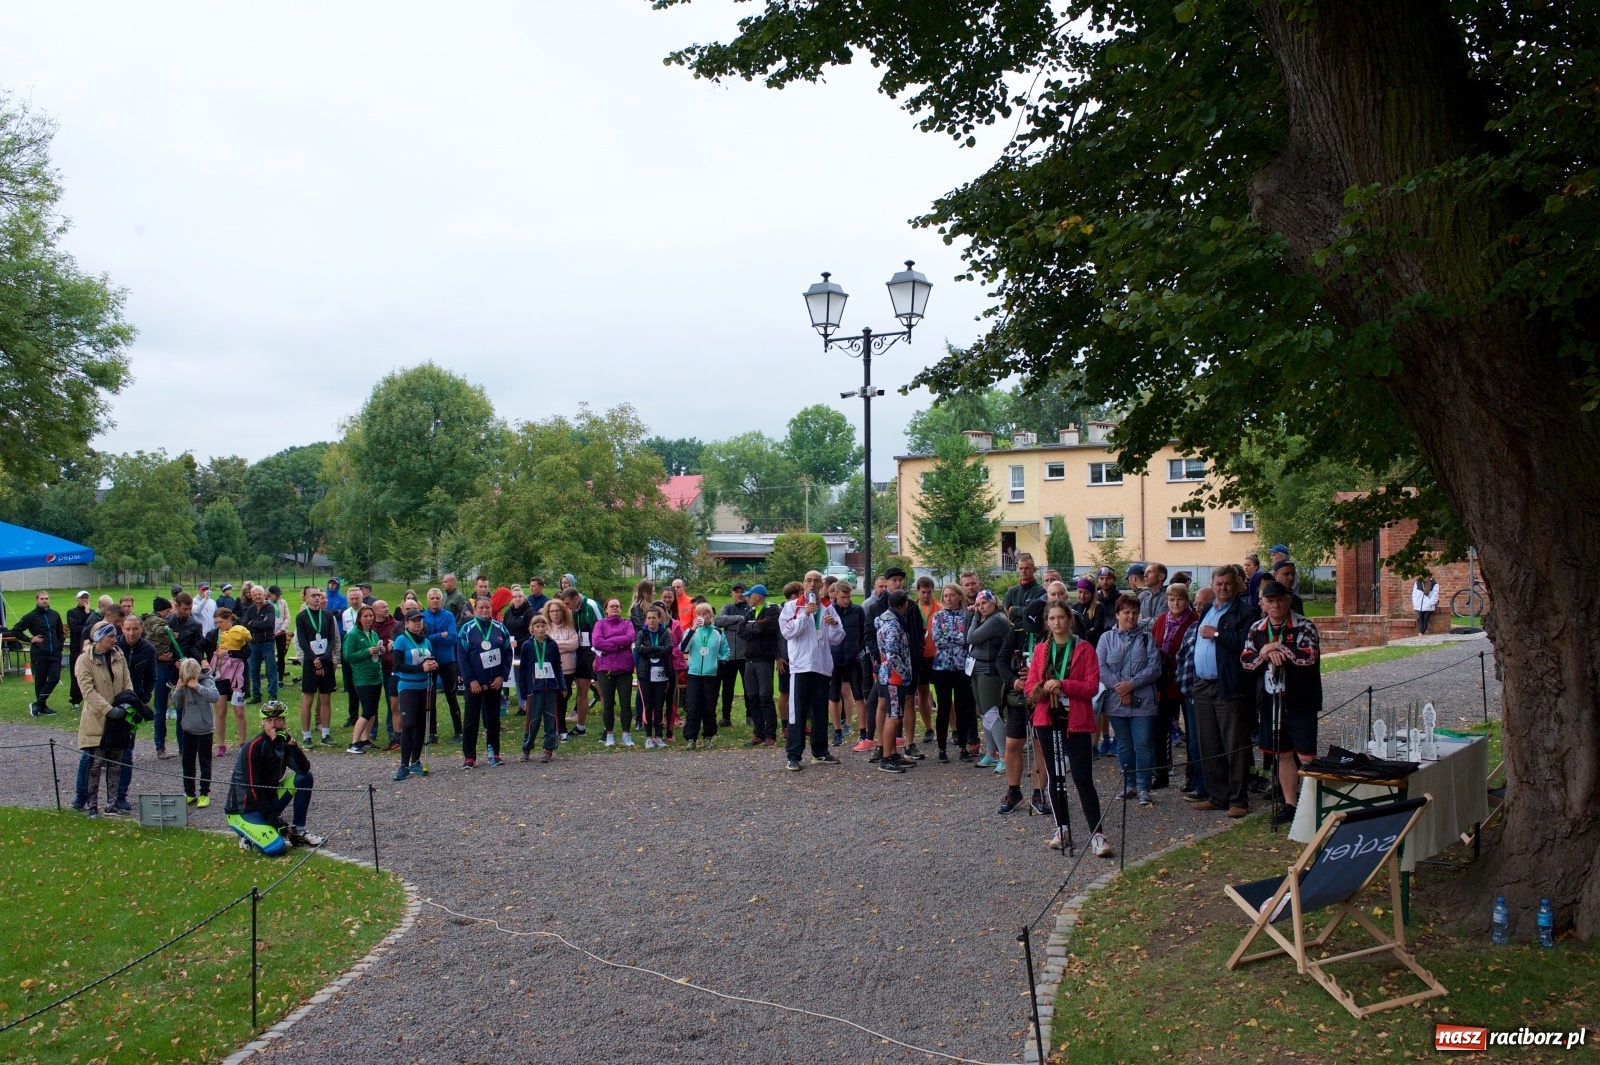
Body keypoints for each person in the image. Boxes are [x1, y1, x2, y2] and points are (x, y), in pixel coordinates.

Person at [1025, 601, 1113, 856]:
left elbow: (1091, 686)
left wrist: (1063, 684)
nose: (1056, 622)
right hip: (1047, 718)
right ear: (1047, 621)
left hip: (1076, 718)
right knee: (1055, 776)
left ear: (1069, 620)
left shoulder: (1084, 649)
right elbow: (1031, 687)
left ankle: (1097, 834)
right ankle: (1061, 827)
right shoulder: (1041, 650)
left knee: (1083, 777)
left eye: (1060, 617)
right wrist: (1044, 687)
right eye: (1051, 618)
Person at [1242, 579, 1323, 827]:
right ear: (1262, 603)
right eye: (1270, 600)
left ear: (1288, 600)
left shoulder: (1304, 626)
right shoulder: (1257, 627)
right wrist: (1265, 651)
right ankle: (1291, 804)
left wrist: (1277, 647)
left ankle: (1314, 803)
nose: (1275, 604)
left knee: (1307, 755)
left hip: (1299, 700)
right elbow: (1246, 660)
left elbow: (1307, 658)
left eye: (1279, 600)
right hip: (1269, 699)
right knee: (1282, 753)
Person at [1182, 565, 1259, 818]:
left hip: (1229, 686)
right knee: (1209, 743)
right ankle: (1217, 795)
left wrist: (1216, 633)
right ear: (1212, 585)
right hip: (1202, 684)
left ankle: (1239, 799)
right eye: (1218, 584)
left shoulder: (1246, 612)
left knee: (1234, 744)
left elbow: (1244, 644)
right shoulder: (1206, 610)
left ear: (1236, 584)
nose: (1223, 588)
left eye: (1227, 583)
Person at [225, 700, 323, 854]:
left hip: (267, 801)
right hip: (244, 810)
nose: (274, 725)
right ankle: (246, 833)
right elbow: (253, 790)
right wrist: (276, 822)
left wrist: (291, 743)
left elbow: (303, 769)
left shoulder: (283, 742)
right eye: (269, 721)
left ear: (284, 722)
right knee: (277, 849)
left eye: (278, 720)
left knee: (304, 778)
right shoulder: (252, 747)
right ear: (262, 722)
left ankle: (299, 831)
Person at [1097, 595, 1163, 806]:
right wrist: (1120, 688)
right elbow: (1100, 667)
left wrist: (1131, 685)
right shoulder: (1106, 638)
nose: (1131, 616)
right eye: (1126, 612)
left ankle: (1144, 787)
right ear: (1117, 614)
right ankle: (1130, 784)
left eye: (1135, 612)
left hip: (1142, 700)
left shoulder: (1146, 638)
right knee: (1124, 744)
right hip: (1116, 701)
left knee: (1143, 742)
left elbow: (1154, 668)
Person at [778, 570, 844, 771]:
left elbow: (838, 637)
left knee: (820, 712)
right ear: (803, 584)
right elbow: (788, 632)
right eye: (809, 581)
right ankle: (794, 755)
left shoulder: (828, 607)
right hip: (800, 666)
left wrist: (833, 625)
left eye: (817, 581)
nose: (813, 584)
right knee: (798, 712)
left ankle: (820, 751)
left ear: (822, 585)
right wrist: (805, 614)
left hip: (822, 666)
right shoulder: (792, 607)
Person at [73, 622, 135, 817]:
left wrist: (127, 703)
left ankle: (113, 802)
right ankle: (92, 805)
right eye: (111, 636)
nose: (114, 640)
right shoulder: (84, 660)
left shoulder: (119, 656)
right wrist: (108, 710)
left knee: (116, 763)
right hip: (97, 718)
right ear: (100, 637)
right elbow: (88, 691)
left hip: (119, 718)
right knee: (95, 764)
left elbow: (127, 682)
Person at [1151, 583, 1200, 793]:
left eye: (1179, 599)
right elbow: (1154, 645)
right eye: (1171, 599)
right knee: (1160, 729)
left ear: (1186, 600)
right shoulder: (1161, 620)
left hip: (1186, 682)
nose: (1175, 603)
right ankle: (1161, 772)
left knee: (1191, 730)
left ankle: (1192, 775)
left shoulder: (1194, 620)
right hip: (1164, 682)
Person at [458, 596, 512, 767]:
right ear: (475, 610)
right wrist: (471, 680)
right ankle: (469, 756)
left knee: (493, 719)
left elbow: (507, 654)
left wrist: (501, 676)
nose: (484, 610)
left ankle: (494, 752)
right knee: (471, 719)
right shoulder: (467, 629)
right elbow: (462, 656)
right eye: (481, 608)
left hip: (494, 682)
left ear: (491, 608)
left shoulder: (500, 628)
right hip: (474, 683)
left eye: (487, 607)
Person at [112, 614, 157, 812]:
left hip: (134, 705)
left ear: (141, 629)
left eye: (135, 629)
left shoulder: (148, 649)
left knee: (127, 753)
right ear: (122, 628)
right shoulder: (113, 647)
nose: (131, 633)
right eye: (128, 629)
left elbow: (151, 676)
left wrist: (143, 699)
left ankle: (121, 795)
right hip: (111, 704)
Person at [965, 590, 1014, 772]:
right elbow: (967, 637)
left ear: (993, 602)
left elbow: (972, 637)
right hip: (977, 669)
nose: (981, 607)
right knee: (984, 713)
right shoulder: (985, 619)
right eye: (978, 604)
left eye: (984, 603)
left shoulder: (997, 619)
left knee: (992, 712)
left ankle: (1004, 755)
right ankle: (991, 752)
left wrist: (974, 617)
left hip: (990, 670)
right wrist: (973, 617)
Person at [872, 590, 919, 773]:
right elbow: (892, 655)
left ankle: (892, 754)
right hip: (894, 677)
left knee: (895, 715)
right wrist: (904, 672)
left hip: (890, 675)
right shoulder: (892, 625)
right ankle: (886, 758)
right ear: (904, 604)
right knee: (892, 717)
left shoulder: (888, 620)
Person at [930, 583, 975, 763]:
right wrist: (959, 639)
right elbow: (938, 640)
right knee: (944, 707)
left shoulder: (966, 615)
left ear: (959, 596)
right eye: (946, 596)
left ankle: (963, 746)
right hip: (942, 667)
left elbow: (968, 639)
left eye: (952, 595)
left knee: (962, 707)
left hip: (962, 667)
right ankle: (942, 747)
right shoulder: (938, 616)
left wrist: (957, 638)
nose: (948, 599)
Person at [390, 607, 436, 779]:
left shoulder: (426, 641)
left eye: (420, 620)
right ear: (407, 623)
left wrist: (432, 665)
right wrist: (420, 668)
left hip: (425, 686)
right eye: (414, 620)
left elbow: (429, 660)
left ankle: (415, 761)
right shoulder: (401, 640)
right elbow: (397, 666)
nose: (418, 623)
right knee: (408, 724)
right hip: (408, 686)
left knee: (421, 725)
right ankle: (403, 764)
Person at [680, 601, 730, 749]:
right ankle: (691, 738)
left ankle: (708, 736)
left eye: (705, 613)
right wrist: (693, 629)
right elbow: (683, 648)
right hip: (694, 673)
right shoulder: (691, 631)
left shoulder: (718, 632)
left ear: (711, 616)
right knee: (693, 707)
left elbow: (725, 651)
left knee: (709, 707)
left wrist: (720, 664)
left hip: (712, 675)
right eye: (698, 614)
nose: (701, 616)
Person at [519, 612, 566, 762]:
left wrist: (562, 685)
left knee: (551, 719)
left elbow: (558, 666)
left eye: (543, 626)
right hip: (534, 689)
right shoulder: (527, 645)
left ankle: (548, 748)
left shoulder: (552, 645)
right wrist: (524, 690)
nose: (540, 629)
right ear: (532, 628)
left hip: (551, 688)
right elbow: (523, 669)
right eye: (537, 626)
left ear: (547, 627)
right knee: (533, 720)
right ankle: (527, 748)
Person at [739, 585, 782, 747]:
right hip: (749, 660)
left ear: (757, 596)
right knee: (753, 697)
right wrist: (755, 627)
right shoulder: (749, 612)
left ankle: (770, 734)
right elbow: (740, 631)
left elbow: (767, 626)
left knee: (765, 696)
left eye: (749, 596)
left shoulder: (771, 610)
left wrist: (753, 627)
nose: (748, 598)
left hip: (764, 660)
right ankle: (759, 733)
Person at [296, 586, 339, 746]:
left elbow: (332, 638)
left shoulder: (327, 615)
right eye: (313, 596)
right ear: (305, 598)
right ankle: (306, 735)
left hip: (326, 660)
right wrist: (314, 659)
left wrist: (326, 657)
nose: (316, 598)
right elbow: (302, 641)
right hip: (310, 661)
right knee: (308, 698)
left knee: (326, 697)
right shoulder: (301, 617)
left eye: (318, 596)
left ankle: (325, 733)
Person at [10, 591, 66, 717]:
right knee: (40, 680)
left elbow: (60, 632)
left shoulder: (55, 615)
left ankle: (37, 704)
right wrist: (30, 640)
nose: (45, 601)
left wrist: (59, 646)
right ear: (37, 600)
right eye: (42, 599)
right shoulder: (31, 616)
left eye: (46, 598)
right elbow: (16, 630)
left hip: (55, 653)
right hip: (39, 653)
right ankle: (42, 706)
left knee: (54, 677)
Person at [828, 582, 869, 750]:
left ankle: (863, 732)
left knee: (859, 695)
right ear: (836, 595)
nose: (846, 600)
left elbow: (864, 631)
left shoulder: (858, 610)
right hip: (834, 658)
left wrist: (858, 650)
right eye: (843, 597)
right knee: (834, 695)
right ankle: (837, 731)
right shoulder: (828, 611)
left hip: (853, 659)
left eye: (848, 597)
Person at [173, 657, 219, 806]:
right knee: (187, 762)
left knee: (205, 762)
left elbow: (215, 697)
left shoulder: (207, 680)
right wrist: (179, 690)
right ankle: (189, 793)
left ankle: (204, 793)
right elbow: (176, 705)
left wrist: (197, 686)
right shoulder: (182, 683)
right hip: (189, 730)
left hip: (205, 730)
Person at [591, 598, 636, 748]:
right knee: (608, 702)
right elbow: (596, 642)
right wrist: (618, 645)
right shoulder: (600, 624)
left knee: (625, 703)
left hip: (624, 668)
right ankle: (609, 733)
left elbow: (630, 637)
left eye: (617, 606)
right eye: (612, 606)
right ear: (606, 609)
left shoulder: (627, 623)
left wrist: (608, 641)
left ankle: (626, 734)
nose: (615, 608)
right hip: (605, 668)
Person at [422, 588, 463, 743]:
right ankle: (432, 732)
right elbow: (424, 639)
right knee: (430, 697)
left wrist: (435, 638)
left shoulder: (448, 616)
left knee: (451, 696)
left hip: (447, 661)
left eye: (437, 598)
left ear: (441, 600)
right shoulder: (423, 617)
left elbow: (453, 638)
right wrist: (441, 635)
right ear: (428, 600)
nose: (435, 600)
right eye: (432, 598)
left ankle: (459, 731)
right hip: (430, 661)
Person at [342, 605, 385, 753]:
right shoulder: (353, 634)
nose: (369, 619)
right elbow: (348, 656)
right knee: (367, 710)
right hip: (362, 677)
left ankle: (365, 739)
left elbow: (375, 654)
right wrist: (366, 651)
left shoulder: (373, 634)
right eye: (365, 616)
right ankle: (354, 742)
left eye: (371, 616)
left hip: (376, 676)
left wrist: (380, 651)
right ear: (359, 618)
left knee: (373, 709)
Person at [210, 607, 252, 754]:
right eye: (215, 622)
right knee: (220, 710)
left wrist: (228, 652)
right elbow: (204, 648)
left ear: (229, 619)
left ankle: (242, 744)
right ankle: (221, 745)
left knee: (239, 711)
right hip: (220, 676)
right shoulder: (214, 634)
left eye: (220, 622)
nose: (218, 625)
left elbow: (247, 652)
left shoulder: (239, 632)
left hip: (237, 676)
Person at [633, 605, 675, 748]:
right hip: (645, 674)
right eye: (649, 618)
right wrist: (658, 649)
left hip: (662, 673)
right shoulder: (641, 633)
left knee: (659, 704)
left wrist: (650, 650)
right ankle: (648, 736)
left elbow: (669, 649)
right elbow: (638, 648)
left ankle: (658, 735)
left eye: (654, 618)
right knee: (647, 705)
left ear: (659, 619)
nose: (651, 621)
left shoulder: (665, 633)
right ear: (645, 620)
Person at [561, 587, 598, 735]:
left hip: (594, 652)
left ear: (576, 598)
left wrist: (598, 654)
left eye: (569, 603)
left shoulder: (591, 606)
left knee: (601, 690)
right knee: (582, 690)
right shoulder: (574, 610)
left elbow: (602, 626)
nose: (568, 607)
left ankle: (607, 729)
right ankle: (580, 727)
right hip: (581, 653)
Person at [714, 583, 751, 728]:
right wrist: (738, 619)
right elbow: (718, 621)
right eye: (737, 591)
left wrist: (732, 623)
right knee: (727, 687)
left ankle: (750, 715)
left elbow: (748, 623)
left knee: (748, 687)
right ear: (732, 593)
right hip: (728, 655)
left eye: (742, 591)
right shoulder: (727, 607)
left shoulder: (750, 608)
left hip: (745, 654)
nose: (740, 594)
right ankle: (726, 717)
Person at [541, 598, 580, 738]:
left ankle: (561, 726)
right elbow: (544, 647)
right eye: (552, 611)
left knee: (563, 698)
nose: (555, 613)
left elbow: (574, 644)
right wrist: (562, 645)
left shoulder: (569, 628)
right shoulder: (544, 628)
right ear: (548, 613)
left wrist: (554, 645)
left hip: (567, 669)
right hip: (550, 670)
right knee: (552, 699)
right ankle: (554, 726)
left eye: (558, 610)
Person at [240, 585, 279, 704]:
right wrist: (257, 624)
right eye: (255, 595)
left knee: (270, 669)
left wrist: (254, 624)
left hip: (267, 643)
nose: (257, 597)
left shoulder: (269, 608)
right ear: (251, 596)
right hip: (253, 643)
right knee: (254, 670)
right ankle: (256, 695)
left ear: (264, 595)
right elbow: (245, 624)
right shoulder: (251, 609)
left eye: (259, 594)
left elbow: (267, 623)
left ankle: (273, 695)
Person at [913, 576, 939, 745]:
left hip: (937, 657)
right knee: (922, 693)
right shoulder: (913, 608)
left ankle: (955, 728)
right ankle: (929, 728)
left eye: (929, 592)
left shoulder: (939, 608)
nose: (926, 596)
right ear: (917, 591)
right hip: (920, 658)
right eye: (923, 592)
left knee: (943, 694)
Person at [66, 589, 92, 709]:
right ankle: (75, 700)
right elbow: (76, 629)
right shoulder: (71, 612)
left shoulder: (92, 613)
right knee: (76, 674)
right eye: (82, 598)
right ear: (78, 599)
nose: (84, 600)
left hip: (91, 648)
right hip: (77, 648)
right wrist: (87, 617)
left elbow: (94, 628)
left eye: (86, 598)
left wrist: (88, 614)